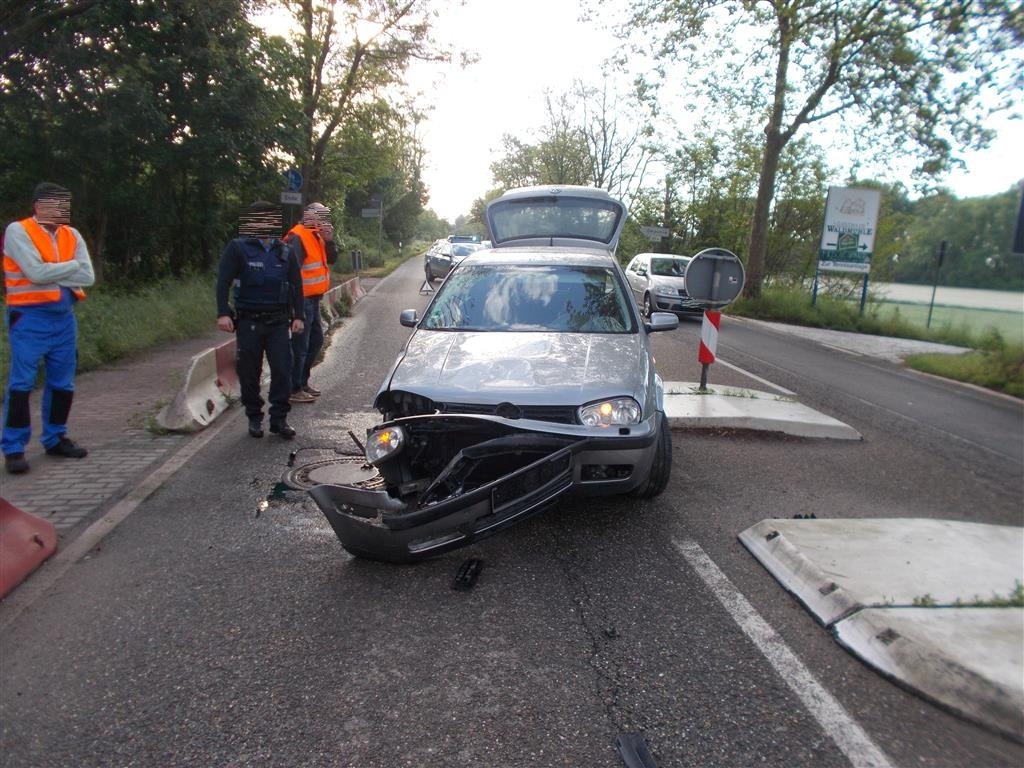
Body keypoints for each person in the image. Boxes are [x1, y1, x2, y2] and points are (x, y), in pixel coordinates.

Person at [2, 182, 95, 475]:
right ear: (37, 206)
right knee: (22, 383)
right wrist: (69, 267)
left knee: (63, 382)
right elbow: (35, 273)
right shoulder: (18, 231)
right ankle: (14, 448)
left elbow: (88, 276)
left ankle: (55, 438)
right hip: (28, 318)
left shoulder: (72, 234)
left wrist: (52, 270)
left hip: (63, 317)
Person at [216, 201, 304, 439]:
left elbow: (296, 285)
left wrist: (299, 316)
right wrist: (223, 313)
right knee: (249, 373)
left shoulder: (284, 251)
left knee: (283, 370)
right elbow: (223, 281)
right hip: (249, 322)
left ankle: (279, 420)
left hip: (278, 322)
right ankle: (254, 417)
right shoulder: (238, 248)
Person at [284, 202, 337, 403]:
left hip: (314, 299)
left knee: (316, 341)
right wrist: (294, 308)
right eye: (321, 217)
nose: (324, 222)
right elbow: (290, 272)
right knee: (300, 345)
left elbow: (331, 260)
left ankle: (302, 382)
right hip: (301, 300)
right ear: (309, 216)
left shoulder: (317, 237)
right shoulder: (297, 236)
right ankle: (294, 387)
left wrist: (329, 240)